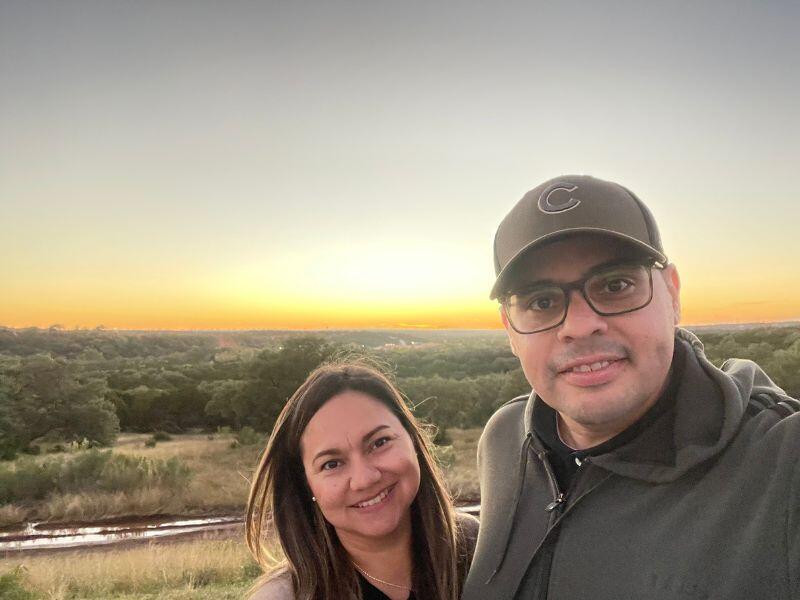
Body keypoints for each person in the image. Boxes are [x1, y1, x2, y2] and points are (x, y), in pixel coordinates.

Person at [462, 175, 800, 600]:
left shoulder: (780, 462)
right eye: (541, 302)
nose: (581, 326)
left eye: (615, 285)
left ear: (672, 294)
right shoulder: (505, 438)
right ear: (510, 330)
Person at [246, 360, 479, 600]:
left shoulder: (480, 549)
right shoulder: (284, 597)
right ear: (306, 485)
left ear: (413, 440)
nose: (364, 479)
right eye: (332, 464)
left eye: (379, 442)